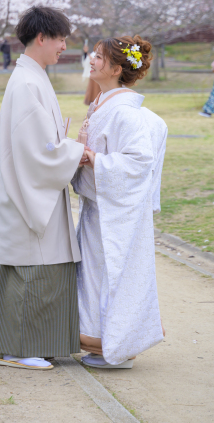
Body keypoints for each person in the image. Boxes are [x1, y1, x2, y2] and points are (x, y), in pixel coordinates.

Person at [0, 6, 86, 371]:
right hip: (26, 192)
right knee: (30, 269)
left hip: (25, 188)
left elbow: (39, 144)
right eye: (60, 38)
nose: (64, 46)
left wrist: (64, 148)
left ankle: (26, 345)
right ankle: (17, 349)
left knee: (31, 266)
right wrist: (76, 150)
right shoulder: (27, 83)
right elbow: (38, 152)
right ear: (42, 37)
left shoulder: (31, 78)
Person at [72, 35, 167, 369]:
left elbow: (139, 162)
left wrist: (94, 158)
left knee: (110, 274)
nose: (92, 60)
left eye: (99, 57)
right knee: (95, 274)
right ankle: (103, 343)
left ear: (115, 68)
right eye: (94, 55)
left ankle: (114, 346)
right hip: (99, 207)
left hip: (114, 212)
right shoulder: (102, 104)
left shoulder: (126, 113)